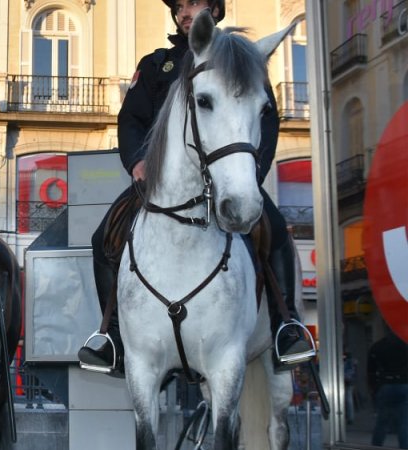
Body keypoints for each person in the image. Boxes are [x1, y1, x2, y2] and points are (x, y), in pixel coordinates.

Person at [78, 0, 314, 376]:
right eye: (181, 6)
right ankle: (114, 337)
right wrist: (137, 163)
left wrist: (251, 172)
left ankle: (287, 324)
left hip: (227, 175)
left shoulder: (242, 59)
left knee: (272, 229)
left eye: (196, 3)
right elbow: (132, 119)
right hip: (161, 181)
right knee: (102, 237)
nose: (186, 11)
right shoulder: (156, 64)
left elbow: (265, 121)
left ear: (216, 10)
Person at [367, 330, 408, 448]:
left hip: (385, 384)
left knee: (382, 422)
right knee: (404, 422)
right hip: (404, 383)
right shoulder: (405, 344)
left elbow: (371, 371)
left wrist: (374, 389)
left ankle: (376, 446)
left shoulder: (377, 346)